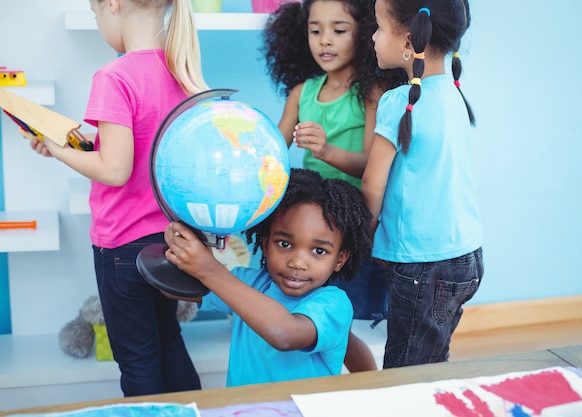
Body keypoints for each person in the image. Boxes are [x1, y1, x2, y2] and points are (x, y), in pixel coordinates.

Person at [30, 0, 209, 396]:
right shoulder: (181, 69)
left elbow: (115, 169)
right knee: (168, 341)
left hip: (122, 246)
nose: (99, 25)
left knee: (137, 357)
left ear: (112, 6)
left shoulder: (114, 75)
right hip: (169, 240)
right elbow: (145, 145)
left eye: (96, 16)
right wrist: (80, 142)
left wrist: (58, 150)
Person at [262, 0, 406, 372]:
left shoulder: (372, 91)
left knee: (338, 320)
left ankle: (366, 382)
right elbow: (273, 153)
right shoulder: (301, 93)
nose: (325, 40)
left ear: (364, 33)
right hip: (307, 222)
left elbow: (373, 163)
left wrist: (326, 150)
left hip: (348, 226)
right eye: (315, 30)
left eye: (339, 30)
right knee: (305, 311)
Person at [162, 169, 373, 386]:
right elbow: (170, 288)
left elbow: (284, 335)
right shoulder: (247, 283)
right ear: (265, 243)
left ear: (340, 259)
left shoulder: (333, 303)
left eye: (318, 251)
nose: (297, 262)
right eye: (284, 244)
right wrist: (178, 242)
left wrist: (210, 270)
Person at [362, 0, 484, 369]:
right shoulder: (456, 96)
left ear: (408, 39)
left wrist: (358, 242)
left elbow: (372, 186)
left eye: (379, 26)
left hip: (423, 266)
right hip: (467, 257)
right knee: (431, 357)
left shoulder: (398, 101)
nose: (372, 36)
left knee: (406, 370)